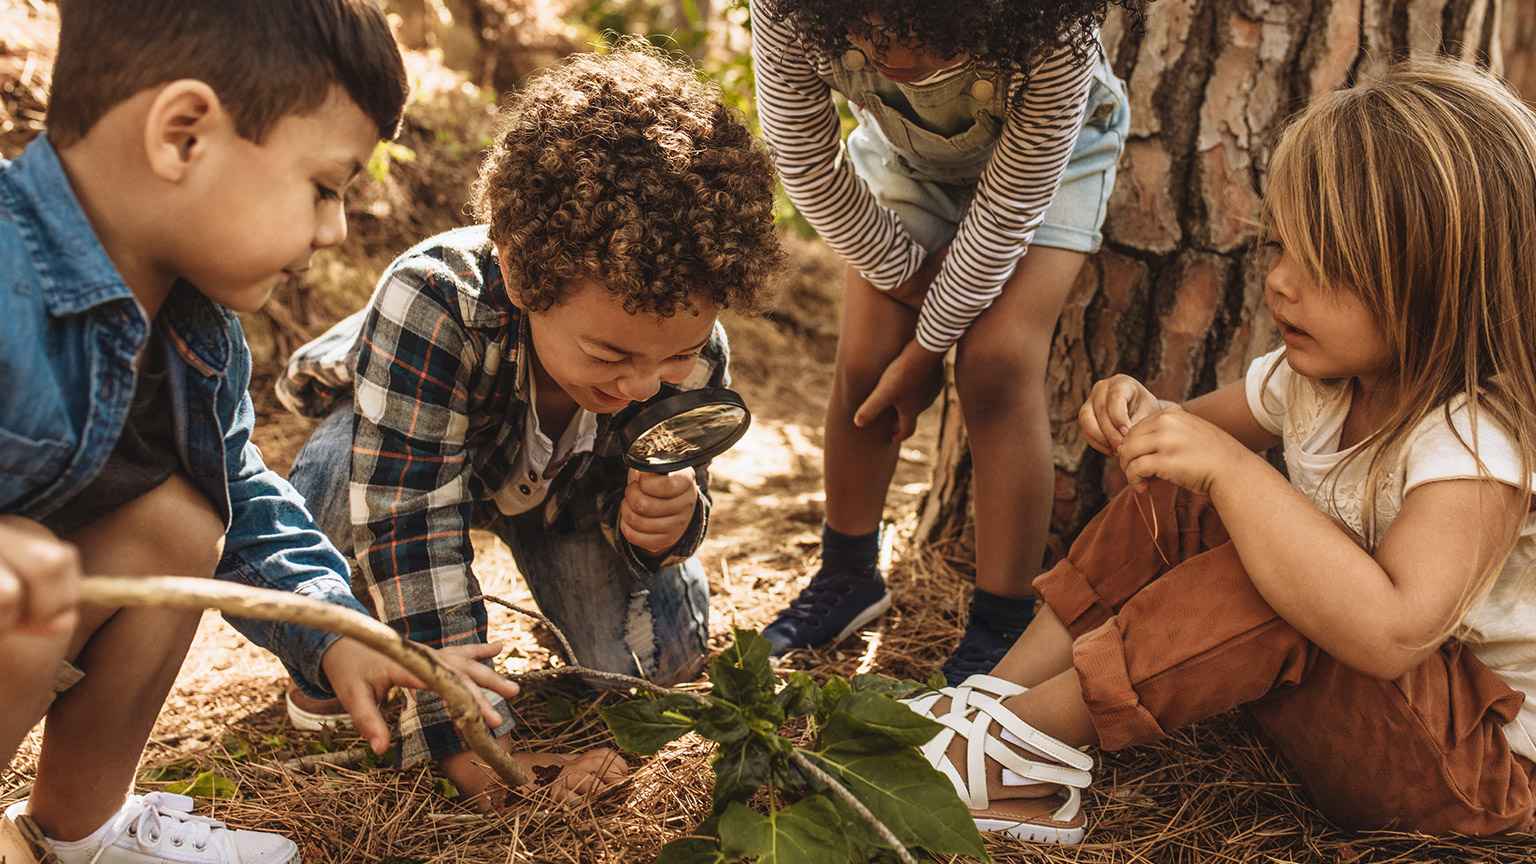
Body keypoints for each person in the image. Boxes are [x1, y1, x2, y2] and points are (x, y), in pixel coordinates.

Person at [0, 1, 582, 861]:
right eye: (323, 187)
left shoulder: (196, 334)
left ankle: (80, 831)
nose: (334, 229)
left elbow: (248, 500)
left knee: (183, 521)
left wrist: (341, 632)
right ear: (183, 135)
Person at [900, 57, 1536, 843]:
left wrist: (1234, 471)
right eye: (1279, 247)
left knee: (1271, 571)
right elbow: (1182, 443)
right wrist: (1141, 412)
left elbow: (1391, 630)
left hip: (1471, 773)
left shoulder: (1475, 441)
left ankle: (1009, 756)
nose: (1279, 283)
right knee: (1189, 494)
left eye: (1326, 266)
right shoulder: (1318, 380)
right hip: (1375, 715)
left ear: (1441, 283)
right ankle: (991, 705)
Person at [273, 47, 784, 810]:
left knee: (660, 662)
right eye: (609, 353)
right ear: (518, 274)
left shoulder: (691, 350)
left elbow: (680, 489)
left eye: (673, 356)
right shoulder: (433, 300)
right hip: (419, 447)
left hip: (567, 500)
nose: (642, 384)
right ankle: (338, 653)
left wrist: (662, 527)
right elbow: (410, 517)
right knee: (330, 481)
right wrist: (466, 732)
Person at [750, 0, 1141, 684]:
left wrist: (929, 349)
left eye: (932, 37)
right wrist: (909, 288)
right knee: (868, 362)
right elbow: (806, 163)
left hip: (1052, 169)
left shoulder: (1054, 33)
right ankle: (847, 578)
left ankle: (1001, 619)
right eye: (869, 31)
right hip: (907, 161)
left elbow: (1008, 212)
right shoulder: (788, 9)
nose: (896, 58)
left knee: (995, 365)